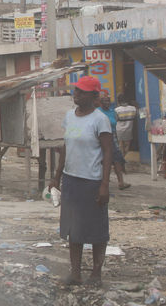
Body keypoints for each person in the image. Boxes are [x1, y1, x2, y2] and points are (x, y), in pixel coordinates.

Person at [47, 76, 113, 288]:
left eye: (82, 92)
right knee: (73, 229)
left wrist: (104, 184)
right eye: (76, 90)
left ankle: (96, 273)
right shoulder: (69, 117)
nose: (77, 94)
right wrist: (57, 176)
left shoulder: (100, 119)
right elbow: (66, 146)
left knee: (96, 229)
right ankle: (75, 273)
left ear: (94, 96)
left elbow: (108, 152)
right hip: (71, 180)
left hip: (92, 181)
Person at [98, 92, 131, 190]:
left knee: (117, 159)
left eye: (108, 101)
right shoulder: (97, 112)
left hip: (112, 137)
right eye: (105, 101)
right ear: (100, 102)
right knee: (102, 161)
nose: (107, 103)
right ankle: (103, 182)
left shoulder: (113, 112)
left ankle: (121, 182)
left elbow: (116, 121)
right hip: (101, 138)